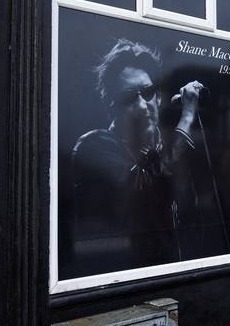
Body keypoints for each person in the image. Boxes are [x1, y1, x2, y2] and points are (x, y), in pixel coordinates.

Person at [67, 38, 214, 276]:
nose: (143, 105)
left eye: (147, 92)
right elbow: (145, 187)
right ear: (112, 105)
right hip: (122, 275)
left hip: (173, 270)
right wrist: (187, 118)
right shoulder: (93, 145)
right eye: (129, 97)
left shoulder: (167, 146)